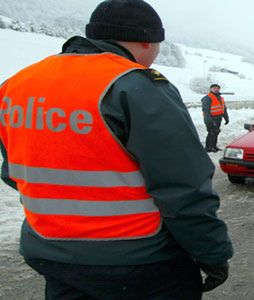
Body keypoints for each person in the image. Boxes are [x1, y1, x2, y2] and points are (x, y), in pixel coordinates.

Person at [0, 1, 233, 299]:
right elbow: (184, 187)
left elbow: (14, 171)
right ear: (148, 40)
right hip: (138, 258)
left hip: (51, 252)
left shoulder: (18, 84)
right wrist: (212, 253)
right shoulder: (136, 86)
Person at [202, 83, 229, 152]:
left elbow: (223, 109)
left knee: (216, 132)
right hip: (210, 119)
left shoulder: (220, 98)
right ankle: (208, 148)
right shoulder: (207, 98)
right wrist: (209, 121)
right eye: (214, 88)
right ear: (211, 89)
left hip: (218, 118)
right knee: (211, 133)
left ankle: (214, 146)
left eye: (217, 88)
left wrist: (226, 118)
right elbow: (206, 110)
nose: (216, 89)